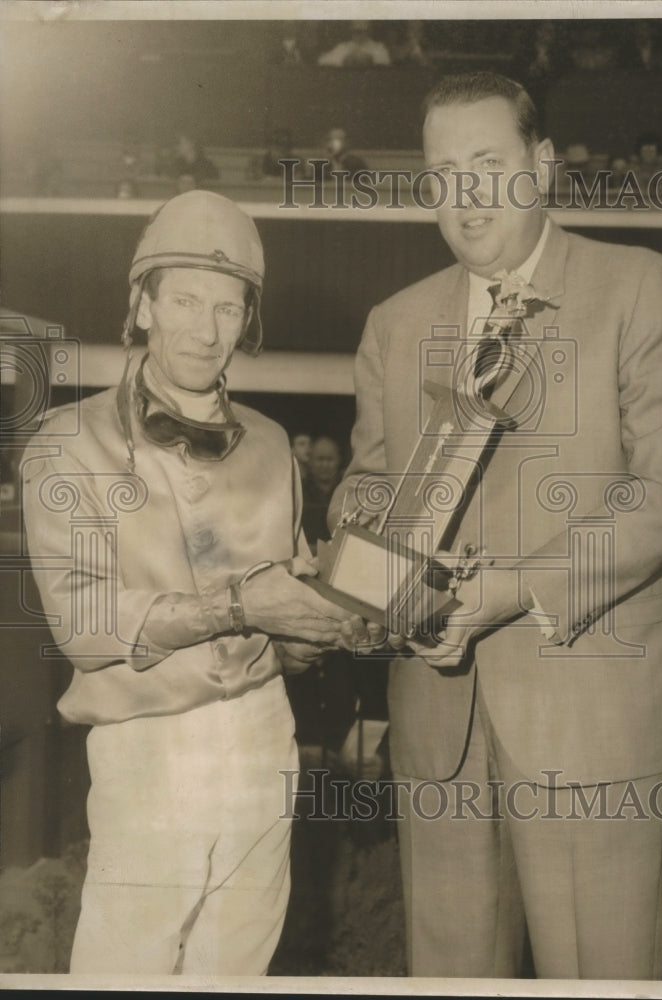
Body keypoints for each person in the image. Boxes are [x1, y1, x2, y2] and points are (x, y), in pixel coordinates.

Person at [330, 72, 662, 980]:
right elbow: (360, 489)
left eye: (488, 164)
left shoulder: (642, 289)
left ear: (540, 166)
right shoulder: (395, 323)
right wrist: (395, 583)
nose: (464, 197)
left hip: (594, 721)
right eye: (442, 173)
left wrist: (512, 587)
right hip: (438, 729)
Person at [22, 190, 378, 976]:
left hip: (263, 736)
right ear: (141, 304)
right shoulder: (65, 443)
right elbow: (82, 625)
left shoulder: (274, 444)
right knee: (128, 966)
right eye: (183, 299)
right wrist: (239, 604)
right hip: (151, 746)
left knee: (238, 969)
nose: (205, 328)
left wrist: (332, 623)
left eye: (227, 307)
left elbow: (286, 623)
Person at [301, 435, 343, 555]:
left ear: (339, 460)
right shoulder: (299, 491)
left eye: (330, 459)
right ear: (310, 461)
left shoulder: (347, 490)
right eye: (320, 459)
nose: (325, 465)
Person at [317, 20, 391, 68]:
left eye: (362, 31)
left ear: (368, 31)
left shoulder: (378, 47)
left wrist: (370, 59)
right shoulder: (343, 47)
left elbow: (386, 61)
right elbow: (322, 61)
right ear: (351, 32)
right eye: (356, 31)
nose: (359, 35)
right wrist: (344, 60)